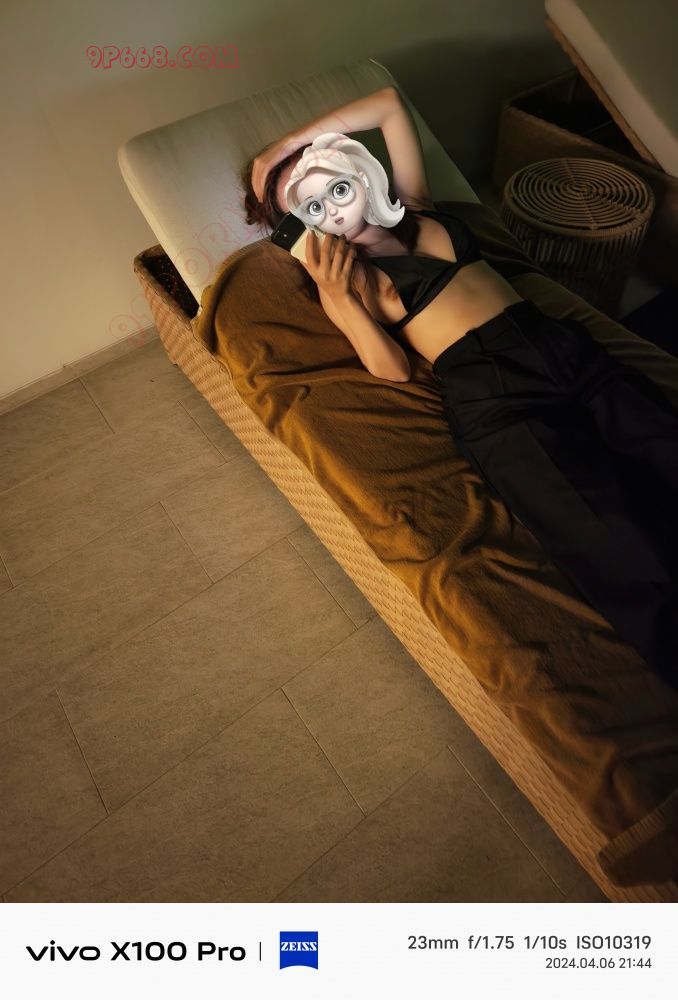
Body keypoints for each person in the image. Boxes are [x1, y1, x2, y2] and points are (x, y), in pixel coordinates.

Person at [241, 85, 678, 690]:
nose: (326, 199)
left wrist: (285, 146)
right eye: (302, 200)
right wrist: (337, 296)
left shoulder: (415, 207)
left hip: (561, 348)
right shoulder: (350, 280)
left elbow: (390, 104)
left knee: (664, 445)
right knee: (609, 539)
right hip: (499, 401)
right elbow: (392, 369)